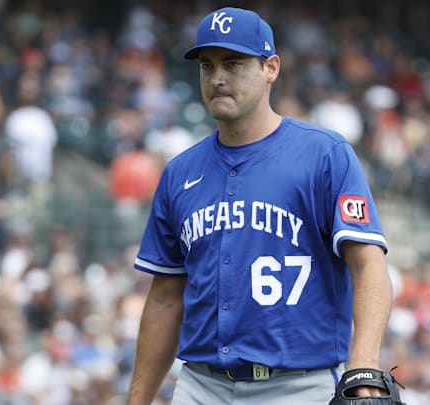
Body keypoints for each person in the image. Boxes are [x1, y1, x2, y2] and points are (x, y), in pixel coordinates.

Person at [126, 7, 393, 404]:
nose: (217, 77)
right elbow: (166, 298)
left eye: (233, 63)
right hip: (200, 385)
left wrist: (363, 364)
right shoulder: (180, 172)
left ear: (271, 68)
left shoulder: (324, 154)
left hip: (298, 386)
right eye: (207, 65)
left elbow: (368, 264)